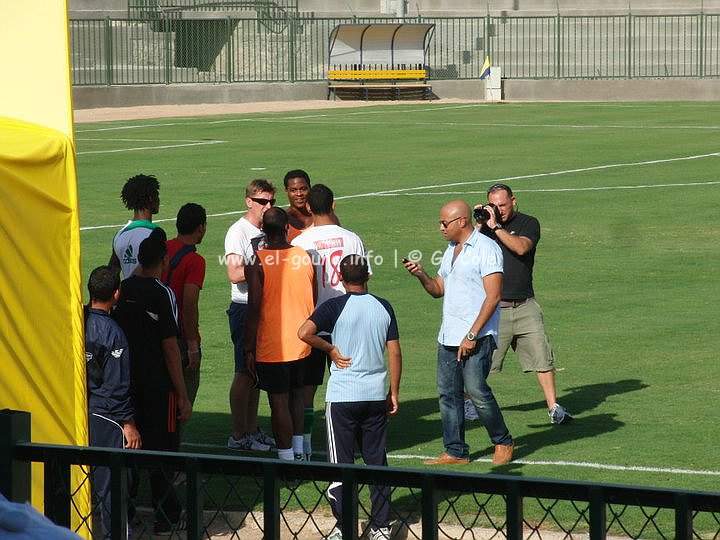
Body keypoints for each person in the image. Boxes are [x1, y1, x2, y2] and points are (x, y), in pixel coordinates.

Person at [298, 255, 402, 540]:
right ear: (368, 275)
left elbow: (304, 333)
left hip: (342, 398)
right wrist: (393, 391)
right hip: (374, 396)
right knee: (377, 463)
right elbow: (394, 352)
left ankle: (345, 529)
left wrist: (329, 349)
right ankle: (380, 528)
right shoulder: (384, 306)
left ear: (340, 278)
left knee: (340, 467)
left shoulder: (333, 306)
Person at [403, 200, 514, 465]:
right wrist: (421, 274)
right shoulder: (450, 249)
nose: (440, 227)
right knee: (448, 394)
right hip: (448, 337)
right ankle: (455, 451)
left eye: (444, 223)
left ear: (462, 221)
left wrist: (472, 335)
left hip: (478, 336)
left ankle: (503, 441)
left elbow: (493, 296)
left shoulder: (487, 249)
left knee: (476, 391)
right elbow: (438, 290)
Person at [112, 236, 191, 534]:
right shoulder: (163, 293)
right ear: (164, 260)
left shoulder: (125, 289)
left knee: (130, 450)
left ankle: (126, 512)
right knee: (163, 452)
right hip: (159, 388)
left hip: (128, 385)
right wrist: (182, 395)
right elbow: (170, 347)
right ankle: (166, 517)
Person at [477, 183, 573, 425]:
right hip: (494, 309)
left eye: (503, 205)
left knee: (542, 357)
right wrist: (478, 225)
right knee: (481, 362)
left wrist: (495, 227)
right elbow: (466, 251)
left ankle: (554, 408)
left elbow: (521, 247)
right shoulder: (483, 230)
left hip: (524, 305)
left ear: (513, 201)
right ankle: (469, 404)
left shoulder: (529, 223)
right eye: (494, 206)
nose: (499, 210)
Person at [291, 183, 370, 461]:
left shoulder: (301, 242)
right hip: (347, 322)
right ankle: (354, 444)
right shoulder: (352, 238)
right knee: (350, 383)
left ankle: (303, 447)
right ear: (333, 204)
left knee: (306, 390)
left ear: (309, 207)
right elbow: (364, 281)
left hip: (312, 323)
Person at [244, 207, 316, 460]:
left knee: (278, 403)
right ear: (287, 228)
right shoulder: (304, 256)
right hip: (303, 341)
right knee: (298, 397)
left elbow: (253, 307)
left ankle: (286, 459)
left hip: (273, 344)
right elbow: (313, 296)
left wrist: (248, 347)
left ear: (263, 229)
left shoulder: (257, 260)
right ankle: (298, 452)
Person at [84, 265, 141, 540]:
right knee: (112, 487)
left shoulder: (74, 322)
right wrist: (128, 424)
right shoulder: (113, 332)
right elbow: (117, 387)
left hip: (75, 411)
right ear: (116, 293)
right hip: (105, 418)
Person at [225, 179, 277, 452]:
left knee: (256, 373)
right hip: (245, 307)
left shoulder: (267, 229)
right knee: (244, 372)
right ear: (249, 202)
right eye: (262, 201)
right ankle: (238, 434)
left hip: (264, 307)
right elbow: (234, 273)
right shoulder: (238, 232)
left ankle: (252, 428)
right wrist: (264, 268)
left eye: (271, 201)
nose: (267, 206)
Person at [161, 202, 207, 409]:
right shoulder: (195, 260)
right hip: (179, 339)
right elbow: (189, 304)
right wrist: (192, 346)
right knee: (182, 403)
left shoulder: (163, 248)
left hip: (156, 334)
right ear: (201, 228)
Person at [109, 173, 166, 278]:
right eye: (157, 195)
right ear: (150, 199)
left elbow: (112, 274)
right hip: (152, 293)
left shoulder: (119, 235)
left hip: (128, 293)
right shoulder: (155, 234)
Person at [283, 169, 313, 242]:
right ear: (286, 192)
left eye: (303, 189)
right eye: (293, 190)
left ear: (310, 188)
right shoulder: (282, 220)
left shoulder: (321, 216)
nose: (299, 194)